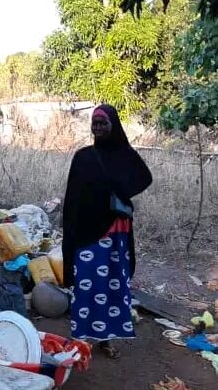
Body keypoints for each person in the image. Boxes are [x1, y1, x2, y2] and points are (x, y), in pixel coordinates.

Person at [62, 105, 152, 359]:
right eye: (95, 123)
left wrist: (120, 189)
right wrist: (70, 231)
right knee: (87, 283)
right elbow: (72, 198)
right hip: (89, 232)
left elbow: (145, 177)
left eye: (103, 123)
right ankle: (80, 338)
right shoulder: (83, 157)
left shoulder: (125, 155)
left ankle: (106, 338)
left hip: (116, 233)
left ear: (114, 125)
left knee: (113, 285)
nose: (98, 128)